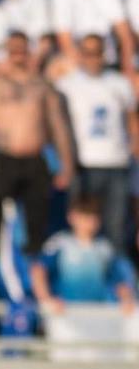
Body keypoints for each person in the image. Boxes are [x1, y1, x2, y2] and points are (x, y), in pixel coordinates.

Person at [0, 31, 74, 270]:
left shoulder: (42, 86)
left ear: (30, 52)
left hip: (35, 160)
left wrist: (66, 164)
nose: (18, 56)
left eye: (22, 50)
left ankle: (34, 278)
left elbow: (58, 127)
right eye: (13, 51)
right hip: (4, 159)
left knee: (37, 222)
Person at [56, 32, 138, 260]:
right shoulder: (67, 84)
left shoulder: (119, 83)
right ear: (80, 55)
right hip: (84, 164)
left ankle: (118, 286)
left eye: (97, 52)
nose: (92, 58)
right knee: (83, 230)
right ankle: (82, 278)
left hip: (117, 164)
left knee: (117, 227)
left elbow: (132, 122)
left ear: (104, 54)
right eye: (87, 53)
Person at [31, 196, 137, 319]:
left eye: (93, 217)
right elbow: (38, 270)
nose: (89, 221)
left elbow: (119, 280)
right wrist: (46, 299)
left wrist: (127, 300)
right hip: (64, 313)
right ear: (71, 217)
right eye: (84, 216)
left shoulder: (105, 248)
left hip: (98, 314)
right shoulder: (59, 243)